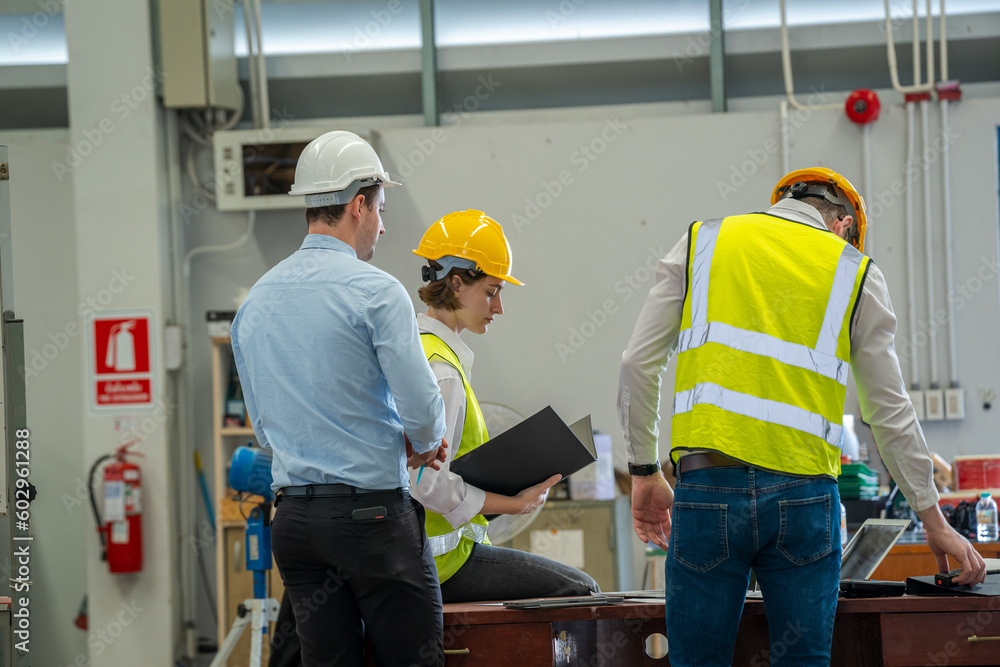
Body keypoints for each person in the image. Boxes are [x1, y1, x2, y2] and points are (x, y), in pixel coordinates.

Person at [617, 167, 987, 666]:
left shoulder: (704, 241)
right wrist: (932, 518)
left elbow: (637, 363)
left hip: (709, 489)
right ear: (842, 225)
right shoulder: (855, 270)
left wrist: (644, 472)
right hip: (805, 500)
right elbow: (889, 409)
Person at [231, 130, 449, 667]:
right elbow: (424, 412)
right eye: (381, 210)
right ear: (358, 206)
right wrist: (421, 443)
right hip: (372, 522)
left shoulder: (255, 301)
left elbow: (264, 430)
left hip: (295, 527)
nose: (383, 225)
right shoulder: (377, 291)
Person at [411, 209, 600, 602]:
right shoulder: (443, 371)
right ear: (457, 284)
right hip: (444, 564)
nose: (498, 308)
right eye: (491, 291)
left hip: (428, 557)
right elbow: (426, 483)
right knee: (583, 591)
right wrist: (512, 504)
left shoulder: (417, 347)